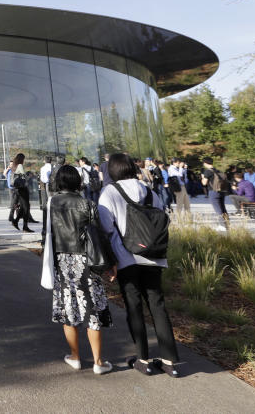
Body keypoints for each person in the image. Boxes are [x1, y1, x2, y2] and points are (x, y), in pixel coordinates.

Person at [97, 153, 181, 377]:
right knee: (158, 306)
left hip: (126, 257)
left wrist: (111, 261)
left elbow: (106, 227)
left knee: (133, 307)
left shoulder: (110, 192)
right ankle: (169, 361)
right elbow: (162, 219)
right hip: (154, 256)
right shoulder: (150, 192)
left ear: (112, 171)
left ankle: (142, 358)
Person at [41, 164, 113, 375]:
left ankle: (75, 357)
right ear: (77, 182)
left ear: (58, 182)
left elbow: (48, 235)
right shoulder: (88, 204)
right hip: (87, 261)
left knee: (68, 309)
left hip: (63, 261)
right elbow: (100, 237)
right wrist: (110, 264)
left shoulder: (51, 203)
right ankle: (98, 362)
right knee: (92, 311)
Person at [201, 157, 230, 230]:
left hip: (213, 192)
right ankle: (227, 224)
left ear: (205, 163)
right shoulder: (217, 170)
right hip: (222, 191)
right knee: (223, 208)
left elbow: (204, 183)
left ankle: (222, 226)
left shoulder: (207, 171)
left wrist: (202, 177)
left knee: (218, 209)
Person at [8, 153, 33, 233]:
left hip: (17, 189)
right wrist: (29, 176)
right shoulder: (20, 166)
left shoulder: (13, 167)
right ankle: (25, 227)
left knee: (23, 207)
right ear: (21, 159)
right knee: (26, 207)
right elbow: (24, 177)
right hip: (23, 189)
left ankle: (16, 221)